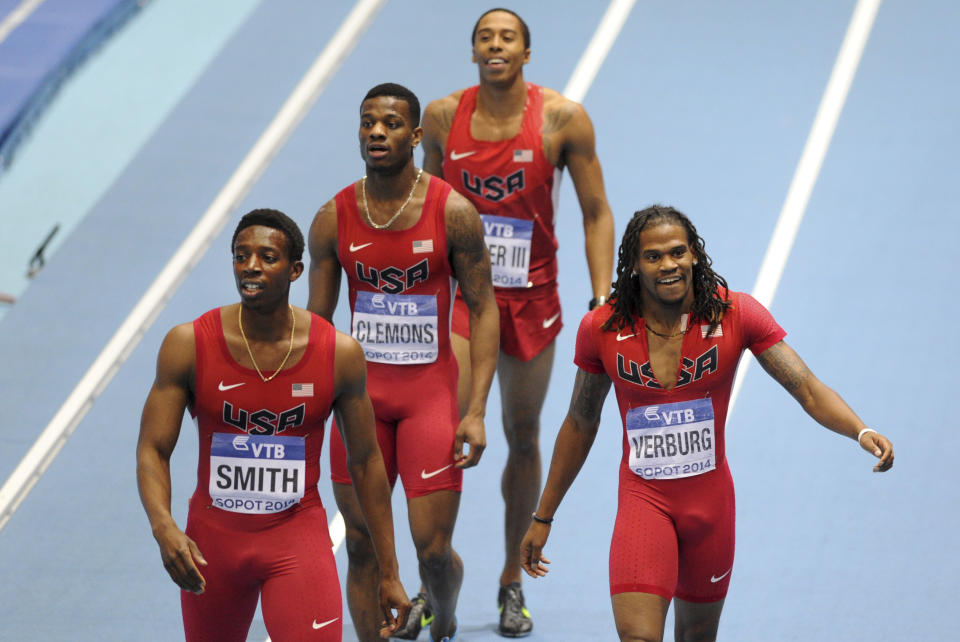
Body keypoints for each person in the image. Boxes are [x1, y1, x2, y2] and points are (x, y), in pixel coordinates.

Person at [518, 205, 895, 641]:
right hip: (644, 503)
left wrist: (860, 430)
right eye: (654, 256)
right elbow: (580, 423)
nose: (668, 265)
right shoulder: (601, 329)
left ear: (695, 254)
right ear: (634, 266)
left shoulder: (737, 315)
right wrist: (543, 517)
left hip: (710, 511)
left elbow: (807, 388)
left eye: (678, 252)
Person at [419, 8, 616, 636]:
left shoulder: (561, 119)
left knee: (523, 434)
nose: (495, 44)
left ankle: (509, 579)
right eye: (485, 37)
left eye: (507, 37)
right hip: (461, 299)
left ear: (526, 53)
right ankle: (433, 575)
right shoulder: (443, 118)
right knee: (443, 432)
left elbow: (595, 212)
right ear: (473, 52)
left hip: (533, 300)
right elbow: (421, 199)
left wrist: (602, 299)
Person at [137, 209, 410, 641]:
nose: (251, 266)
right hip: (213, 544)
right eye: (241, 255)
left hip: (296, 539)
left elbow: (365, 462)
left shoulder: (338, 355)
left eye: (267, 257)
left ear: (296, 270)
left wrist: (390, 571)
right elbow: (153, 448)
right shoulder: (188, 344)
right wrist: (163, 526)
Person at [308, 83, 499, 642]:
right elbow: (315, 330)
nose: (376, 132)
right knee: (363, 546)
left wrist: (478, 409)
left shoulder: (453, 212)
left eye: (391, 124)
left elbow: (485, 311)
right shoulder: (332, 217)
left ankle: (444, 618)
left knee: (433, 550)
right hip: (359, 402)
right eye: (368, 123)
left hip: (429, 397)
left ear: (416, 136)